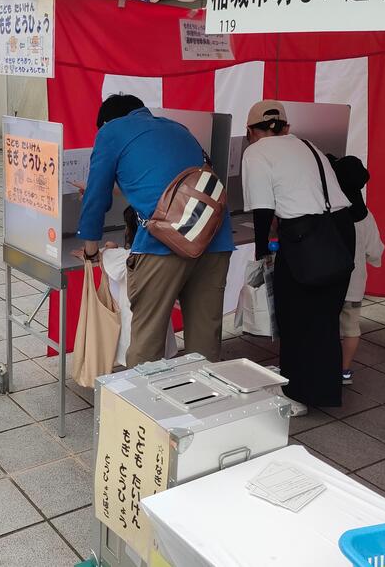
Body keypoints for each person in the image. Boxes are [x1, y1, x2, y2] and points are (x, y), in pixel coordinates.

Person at [78, 94, 234, 367]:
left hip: (164, 244)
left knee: (147, 343)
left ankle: (143, 408)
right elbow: (167, 183)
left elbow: (95, 197)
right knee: (205, 343)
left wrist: (92, 251)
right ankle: (201, 402)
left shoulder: (111, 131)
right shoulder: (177, 127)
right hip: (214, 237)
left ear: (106, 122)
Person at [241, 100, 355, 415]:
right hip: (340, 230)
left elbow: (263, 210)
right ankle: (320, 385)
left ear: (250, 131)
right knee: (324, 314)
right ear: (287, 127)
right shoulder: (308, 145)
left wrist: (261, 250)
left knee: (295, 316)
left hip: (305, 236)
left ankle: (298, 394)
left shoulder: (256, 152)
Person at [329, 155, 384, 385]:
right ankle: (344, 370)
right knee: (351, 329)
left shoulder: (328, 214)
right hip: (354, 286)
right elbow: (375, 252)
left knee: (326, 325)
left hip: (328, 284)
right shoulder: (365, 216)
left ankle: (323, 363)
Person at [101, 207, 178, 366]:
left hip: (135, 325)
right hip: (161, 322)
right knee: (161, 354)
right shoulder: (167, 255)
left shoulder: (125, 257)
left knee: (138, 359)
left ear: (129, 230)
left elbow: (102, 256)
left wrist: (110, 248)